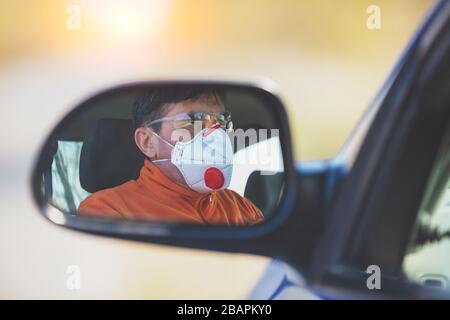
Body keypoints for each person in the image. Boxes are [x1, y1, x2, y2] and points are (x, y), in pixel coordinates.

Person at [78, 86, 264, 226]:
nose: (213, 134)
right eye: (195, 120)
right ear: (147, 142)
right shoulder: (108, 211)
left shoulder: (242, 209)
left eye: (221, 121)